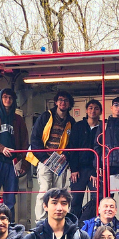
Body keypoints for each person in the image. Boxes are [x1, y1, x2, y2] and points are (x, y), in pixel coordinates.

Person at [29, 90, 76, 220]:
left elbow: (72, 143)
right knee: (44, 190)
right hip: (45, 160)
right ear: (56, 102)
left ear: (69, 104)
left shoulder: (71, 121)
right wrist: (43, 158)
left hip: (60, 161)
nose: (63, 103)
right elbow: (35, 138)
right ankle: (41, 221)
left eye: (66, 100)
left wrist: (66, 155)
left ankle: (56, 220)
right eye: (60, 100)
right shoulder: (45, 116)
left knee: (59, 192)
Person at [69, 99, 102, 218]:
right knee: (75, 200)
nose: (93, 111)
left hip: (95, 170)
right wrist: (73, 169)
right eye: (90, 108)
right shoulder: (78, 126)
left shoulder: (103, 127)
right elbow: (72, 148)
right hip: (79, 170)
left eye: (96, 108)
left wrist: (96, 170)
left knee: (99, 198)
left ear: (100, 112)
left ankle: (93, 224)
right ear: (86, 111)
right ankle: (73, 225)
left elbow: (103, 150)